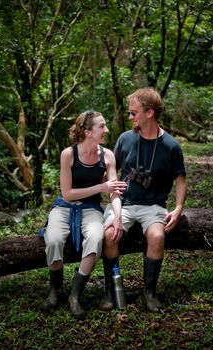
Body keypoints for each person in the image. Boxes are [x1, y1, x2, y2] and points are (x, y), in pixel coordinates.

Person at [100, 87, 187, 312]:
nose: (130, 117)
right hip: (125, 204)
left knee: (157, 237)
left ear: (149, 113)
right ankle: (111, 291)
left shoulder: (171, 146)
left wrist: (177, 209)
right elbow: (110, 171)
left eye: (133, 113)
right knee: (109, 235)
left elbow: (180, 181)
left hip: (153, 206)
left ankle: (150, 293)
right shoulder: (126, 138)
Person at [42, 110, 127, 320]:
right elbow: (68, 193)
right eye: (102, 126)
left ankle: (74, 295)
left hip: (91, 208)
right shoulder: (68, 154)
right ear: (88, 131)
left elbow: (114, 191)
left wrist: (118, 216)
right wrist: (101, 186)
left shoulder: (107, 156)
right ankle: (55, 291)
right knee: (53, 239)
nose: (106, 130)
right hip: (64, 206)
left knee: (96, 238)